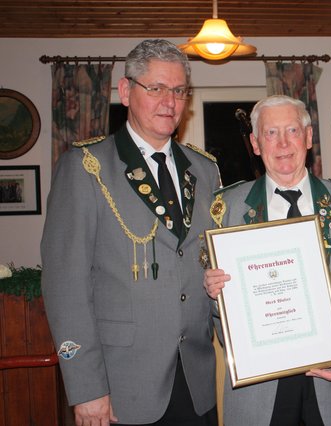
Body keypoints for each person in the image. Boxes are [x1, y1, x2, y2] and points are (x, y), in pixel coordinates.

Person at [41, 39, 221, 425]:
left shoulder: (204, 171)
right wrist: (87, 388)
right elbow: (64, 287)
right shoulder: (86, 167)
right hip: (121, 386)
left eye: (178, 91)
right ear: (125, 91)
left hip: (196, 380)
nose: (169, 102)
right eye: (155, 88)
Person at [203, 95, 331, 426]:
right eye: (271, 133)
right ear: (256, 143)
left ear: (309, 137)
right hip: (260, 392)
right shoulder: (226, 208)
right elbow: (214, 314)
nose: (283, 143)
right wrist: (214, 294)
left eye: (292, 130)